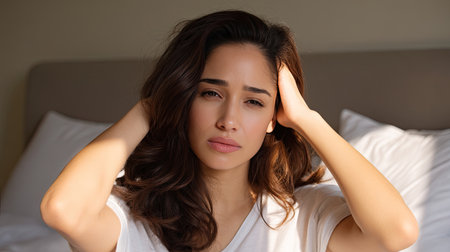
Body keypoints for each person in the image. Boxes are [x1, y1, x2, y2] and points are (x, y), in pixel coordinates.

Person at [41, 10, 418, 252]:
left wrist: (306, 118)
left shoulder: (304, 216)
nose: (228, 120)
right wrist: (154, 105)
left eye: (254, 101)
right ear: (183, 97)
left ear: (275, 115)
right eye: (210, 93)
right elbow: (63, 211)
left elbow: (397, 232)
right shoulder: (130, 215)